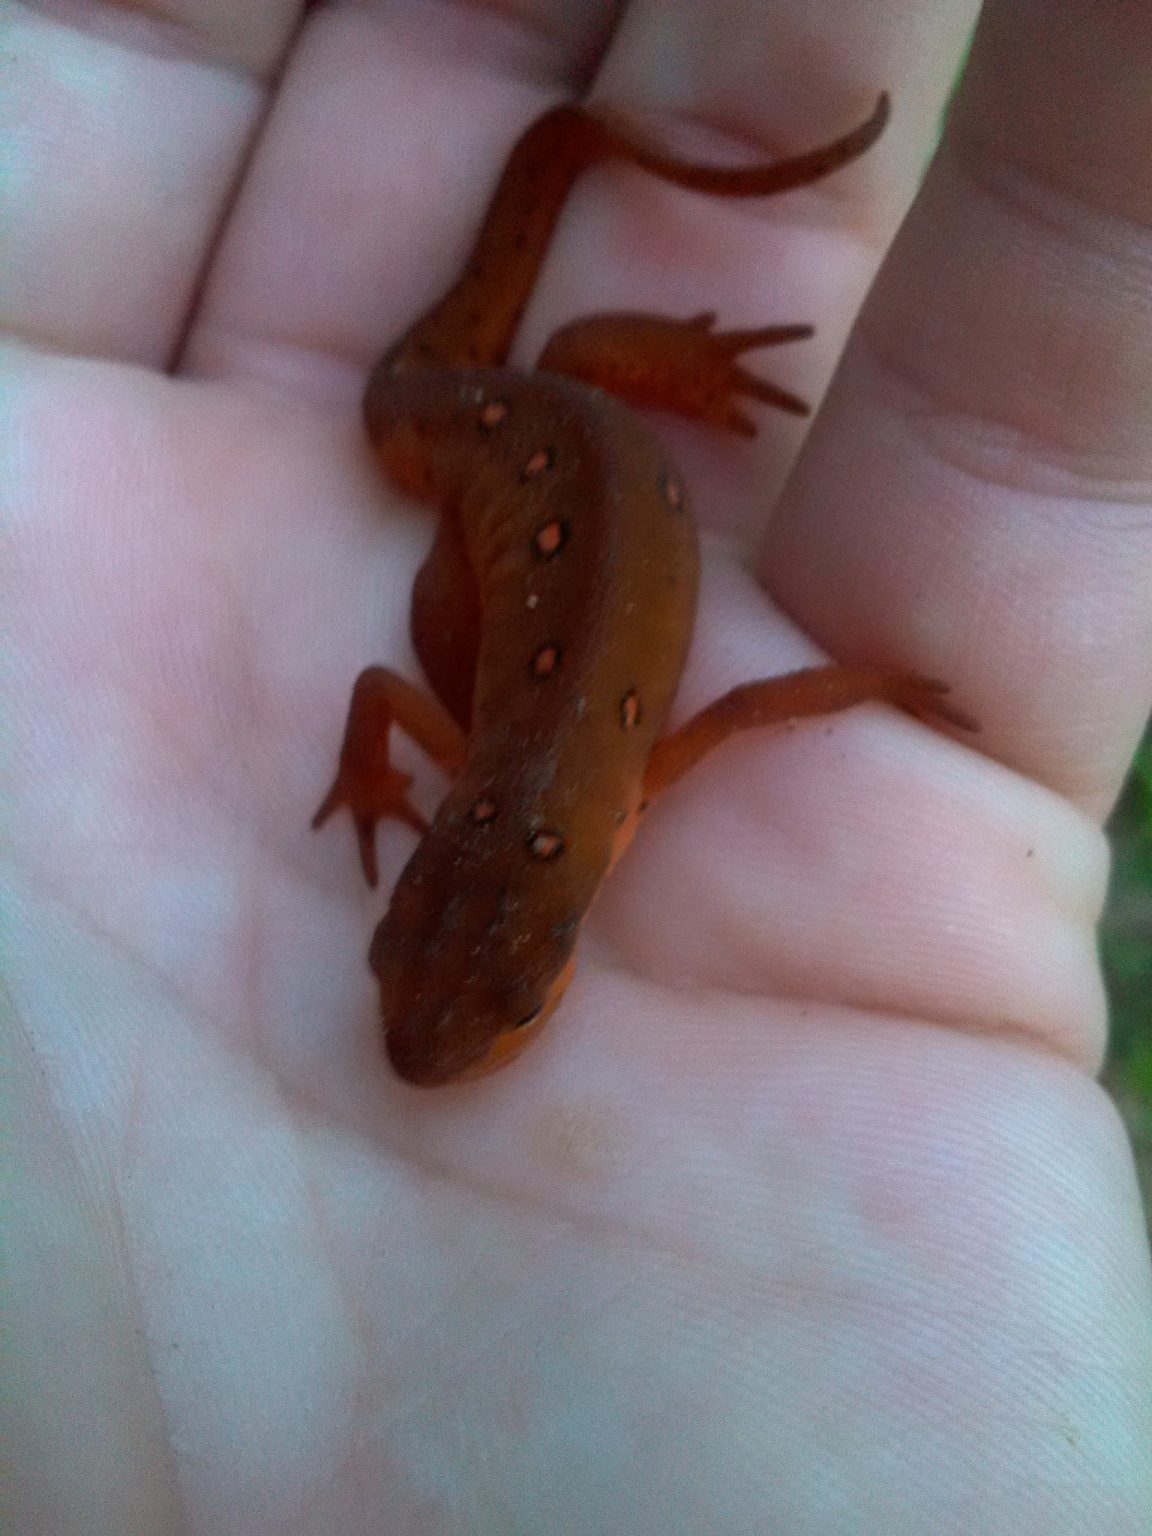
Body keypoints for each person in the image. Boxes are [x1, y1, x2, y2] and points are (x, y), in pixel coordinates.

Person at [5, 1, 1150, 1529]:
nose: (432, 1035)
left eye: (434, 982)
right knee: (519, 433)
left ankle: (597, 229)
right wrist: (867, 678)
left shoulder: (541, 776)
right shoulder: (551, 782)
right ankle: (582, 203)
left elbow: (412, 687)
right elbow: (724, 713)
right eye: (471, 993)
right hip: (474, 431)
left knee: (550, 409)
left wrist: (866, 665)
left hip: (531, 428)